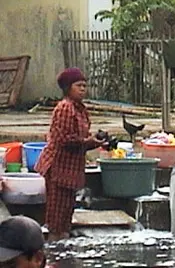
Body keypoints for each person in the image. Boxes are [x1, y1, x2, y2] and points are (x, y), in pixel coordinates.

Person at [34, 68, 105, 242]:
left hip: (71, 170)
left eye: (84, 86)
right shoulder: (65, 108)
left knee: (66, 217)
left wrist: (94, 141)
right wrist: (91, 142)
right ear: (68, 88)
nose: (83, 89)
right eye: (78, 85)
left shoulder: (80, 109)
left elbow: (78, 139)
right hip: (59, 168)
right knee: (56, 220)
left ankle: (63, 250)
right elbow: (65, 140)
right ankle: (54, 252)